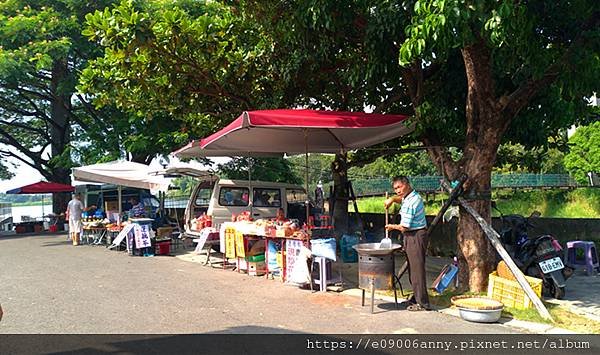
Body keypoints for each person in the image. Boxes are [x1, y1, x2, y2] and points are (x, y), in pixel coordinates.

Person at [384, 176, 430, 311]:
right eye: (395, 189)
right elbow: (400, 199)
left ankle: (423, 303)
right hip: (411, 236)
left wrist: (391, 226)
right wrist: (392, 199)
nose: (397, 191)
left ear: (406, 185)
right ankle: (416, 297)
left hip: (415, 235)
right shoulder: (409, 197)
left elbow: (404, 227)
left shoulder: (412, 202)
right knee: (413, 269)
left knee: (417, 271)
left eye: (399, 187)